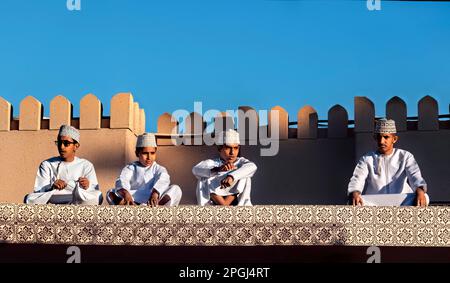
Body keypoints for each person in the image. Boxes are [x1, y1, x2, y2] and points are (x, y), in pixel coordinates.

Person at [348, 118, 429, 207]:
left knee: (424, 196)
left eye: (386, 137)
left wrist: (420, 190)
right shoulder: (367, 158)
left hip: (400, 201)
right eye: (379, 137)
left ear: (394, 139)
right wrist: (355, 192)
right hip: (375, 202)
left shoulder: (405, 156)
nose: (382, 141)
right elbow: (357, 178)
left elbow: (415, 176)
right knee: (354, 201)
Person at [25, 125, 102, 205]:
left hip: (77, 198)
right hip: (54, 197)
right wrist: (52, 186)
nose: (61, 147)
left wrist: (87, 186)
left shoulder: (86, 165)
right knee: (29, 198)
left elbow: (94, 191)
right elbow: (38, 191)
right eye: (59, 143)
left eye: (66, 143)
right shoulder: (47, 164)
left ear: (76, 146)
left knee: (98, 196)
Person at [107, 133, 182, 206]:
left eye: (152, 153)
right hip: (132, 198)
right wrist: (126, 194)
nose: (149, 157)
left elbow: (163, 180)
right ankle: (133, 205)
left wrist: (155, 193)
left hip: (153, 199)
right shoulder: (130, 168)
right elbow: (122, 180)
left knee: (176, 189)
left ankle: (156, 206)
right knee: (110, 192)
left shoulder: (159, 168)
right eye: (145, 153)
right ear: (137, 153)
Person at [192, 129, 257, 206]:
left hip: (237, 204)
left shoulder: (241, 162)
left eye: (235, 148)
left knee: (245, 174)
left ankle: (226, 205)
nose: (232, 153)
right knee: (204, 176)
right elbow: (195, 169)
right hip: (215, 203)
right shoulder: (212, 163)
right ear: (220, 149)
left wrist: (231, 176)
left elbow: (252, 166)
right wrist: (217, 169)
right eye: (228, 148)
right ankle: (222, 205)